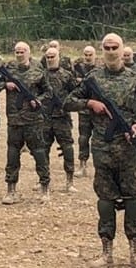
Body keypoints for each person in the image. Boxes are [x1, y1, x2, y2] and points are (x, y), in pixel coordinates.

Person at [63, 33, 136, 268]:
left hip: (129, 149)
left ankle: (135, 252)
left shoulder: (135, 79)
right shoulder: (93, 79)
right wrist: (90, 103)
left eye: (115, 47)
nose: (111, 51)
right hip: (102, 148)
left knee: (133, 197)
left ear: (123, 50)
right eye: (107, 47)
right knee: (105, 200)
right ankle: (106, 252)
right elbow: (67, 102)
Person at [0, 41, 50, 203]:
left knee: (39, 153)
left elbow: (48, 92)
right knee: (12, 155)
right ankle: (11, 190)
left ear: (29, 52)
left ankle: (44, 188)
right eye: (17, 52)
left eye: (22, 51)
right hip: (15, 120)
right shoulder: (8, 69)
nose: (19, 54)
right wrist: (5, 84)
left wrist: (38, 101)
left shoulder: (38, 68)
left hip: (34, 120)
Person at [42, 45, 79, 193]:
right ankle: (43, 180)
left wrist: (67, 104)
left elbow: (76, 92)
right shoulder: (40, 75)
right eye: (48, 57)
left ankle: (69, 182)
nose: (50, 59)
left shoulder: (66, 75)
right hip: (44, 118)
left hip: (62, 118)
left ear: (58, 57)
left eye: (53, 57)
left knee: (67, 148)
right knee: (42, 150)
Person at [73, 45, 97, 177]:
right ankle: (82, 165)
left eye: (90, 55)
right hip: (84, 109)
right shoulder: (78, 69)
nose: (88, 57)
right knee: (83, 138)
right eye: (86, 54)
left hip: (98, 110)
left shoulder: (100, 70)